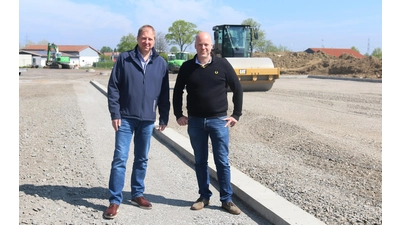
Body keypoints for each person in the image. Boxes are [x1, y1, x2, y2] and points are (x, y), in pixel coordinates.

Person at [172, 31, 243, 215]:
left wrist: (236, 114)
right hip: (195, 122)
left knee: (222, 161)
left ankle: (226, 200)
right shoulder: (187, 67)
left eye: (206, 44)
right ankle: (204, 196)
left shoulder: (223, 64)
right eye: (200, 44)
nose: (203, 47)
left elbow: (238, 88)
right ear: (195, 46)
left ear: (211, 46)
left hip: (219, 121)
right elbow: (177, 91)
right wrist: (179, 114)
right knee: (200, 161)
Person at [104, 24, 170, 219]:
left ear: (154, 40)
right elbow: (113, 88)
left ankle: (137, 194)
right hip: (125, 118)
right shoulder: (124, 59)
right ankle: (115, 200)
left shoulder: (161, 63)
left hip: (148, 120)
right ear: (138, 38)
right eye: (144, 38)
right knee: (120, 159)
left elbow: (164, 93)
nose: (147, 42)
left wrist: (164, 116)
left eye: (150, 39)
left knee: (141, 159)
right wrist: (115, 114)